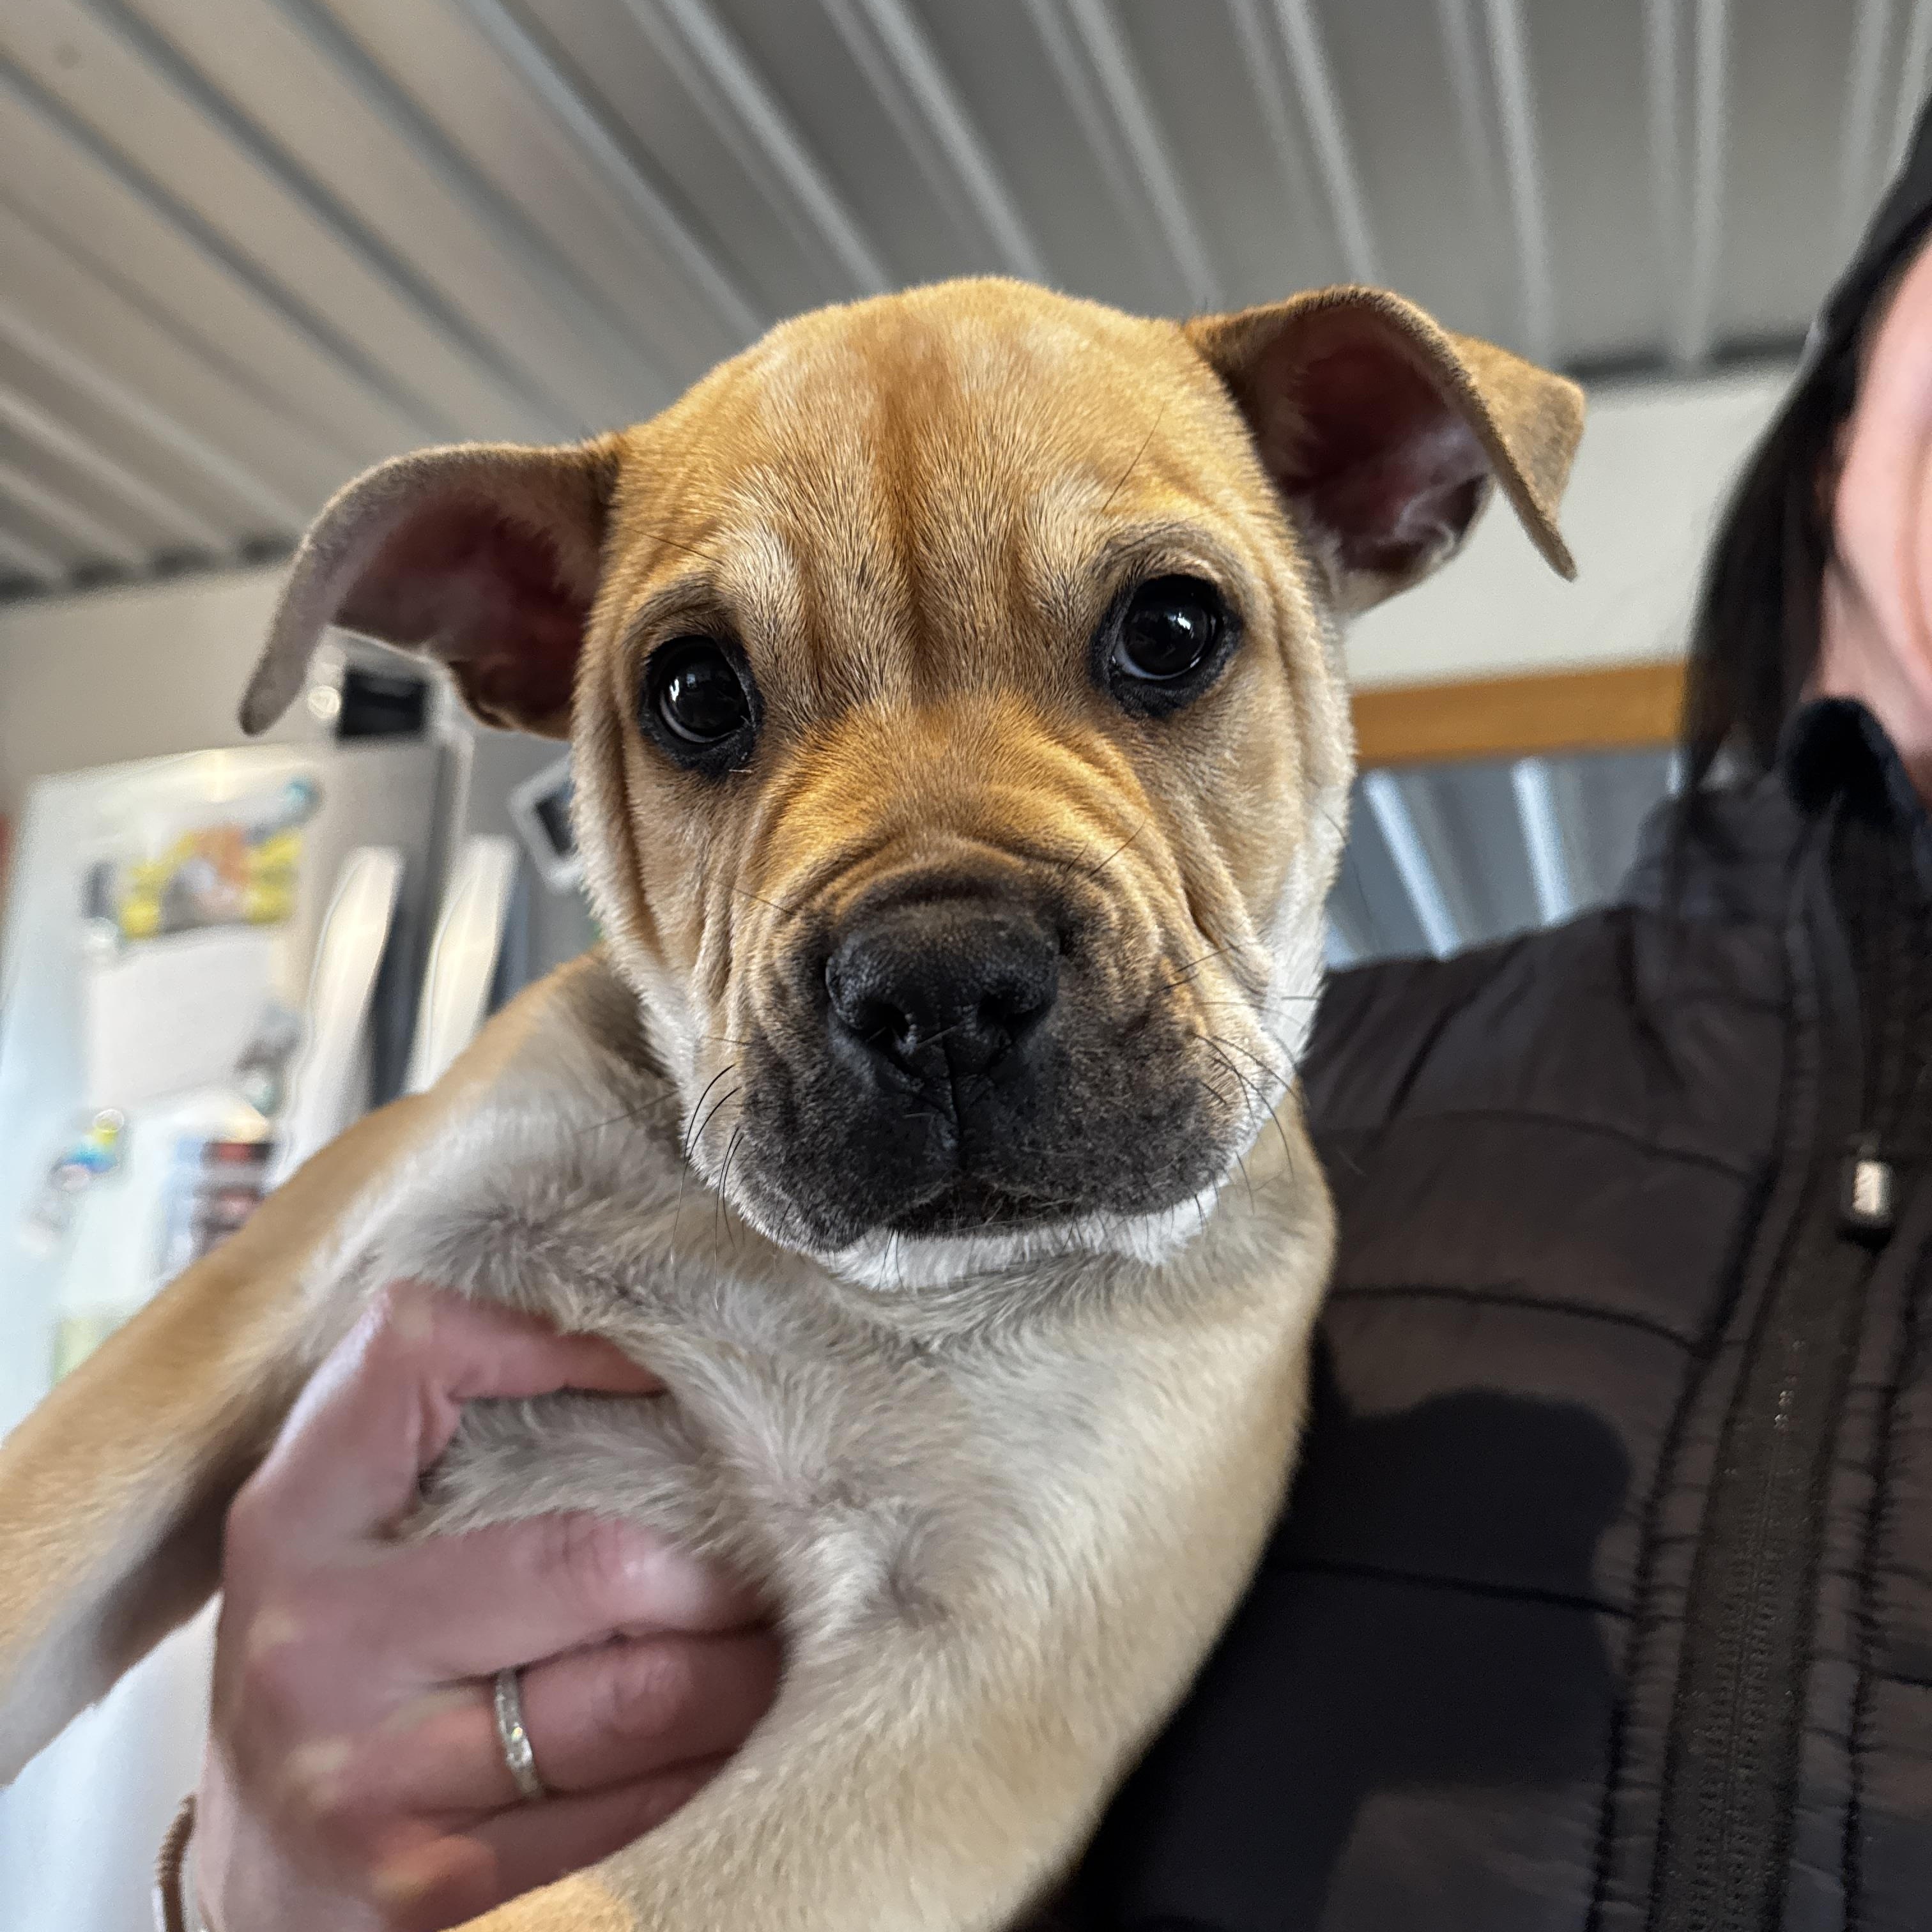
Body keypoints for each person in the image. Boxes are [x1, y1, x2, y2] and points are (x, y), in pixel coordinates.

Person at [167, 104, 1932, 1932]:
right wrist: (237, 1885)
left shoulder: (1250, 1202)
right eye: (705, 693)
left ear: (1373, 496)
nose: (939, 961)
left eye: (1159, 641)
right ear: (1846, 399)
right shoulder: (1365, 1089)